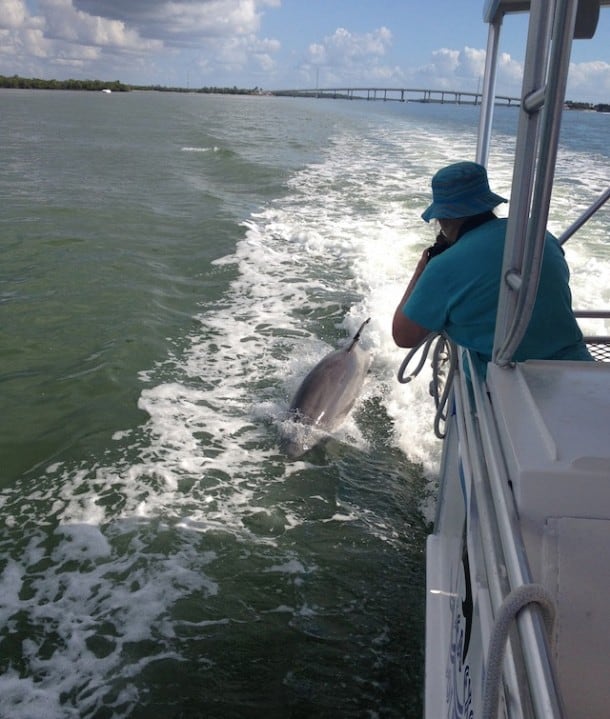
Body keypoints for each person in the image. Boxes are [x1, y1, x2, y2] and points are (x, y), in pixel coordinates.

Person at [392, 161, 593, 373]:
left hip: (508, 388)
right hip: (580, 371)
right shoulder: (541, 237)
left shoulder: (444, 265)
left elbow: (403, 336)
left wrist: (421, 269)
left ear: (443, 218)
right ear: (488, 204)